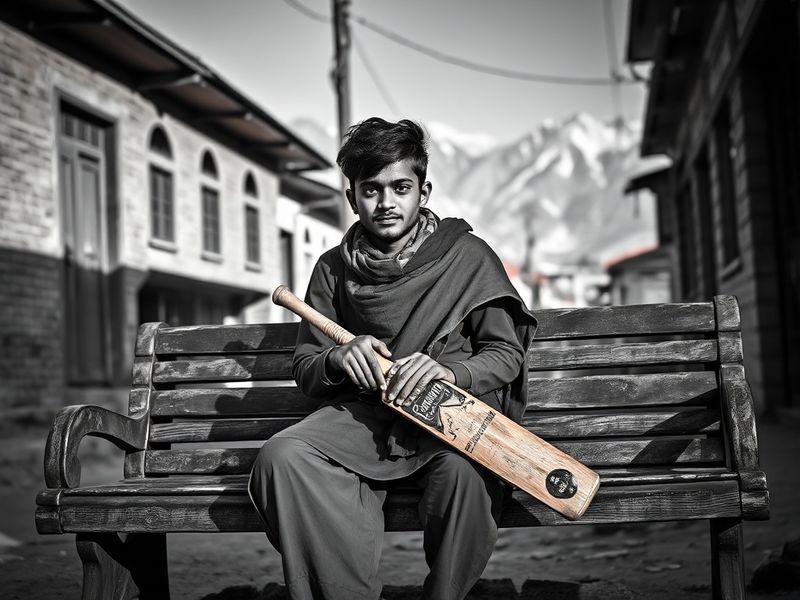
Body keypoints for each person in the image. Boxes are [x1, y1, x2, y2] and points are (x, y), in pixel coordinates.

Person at [249, 117, 537, 600]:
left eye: (400, 187)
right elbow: (306, 368)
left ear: (423, 191)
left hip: (451, 418)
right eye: (371, 190)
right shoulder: (332, 268)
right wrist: (340, 357)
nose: (386, 204)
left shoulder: (467, 257)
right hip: (366, 417)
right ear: (351, 198)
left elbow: (507, 354)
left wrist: (450, 371)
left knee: (465, 476)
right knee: (283, 456)